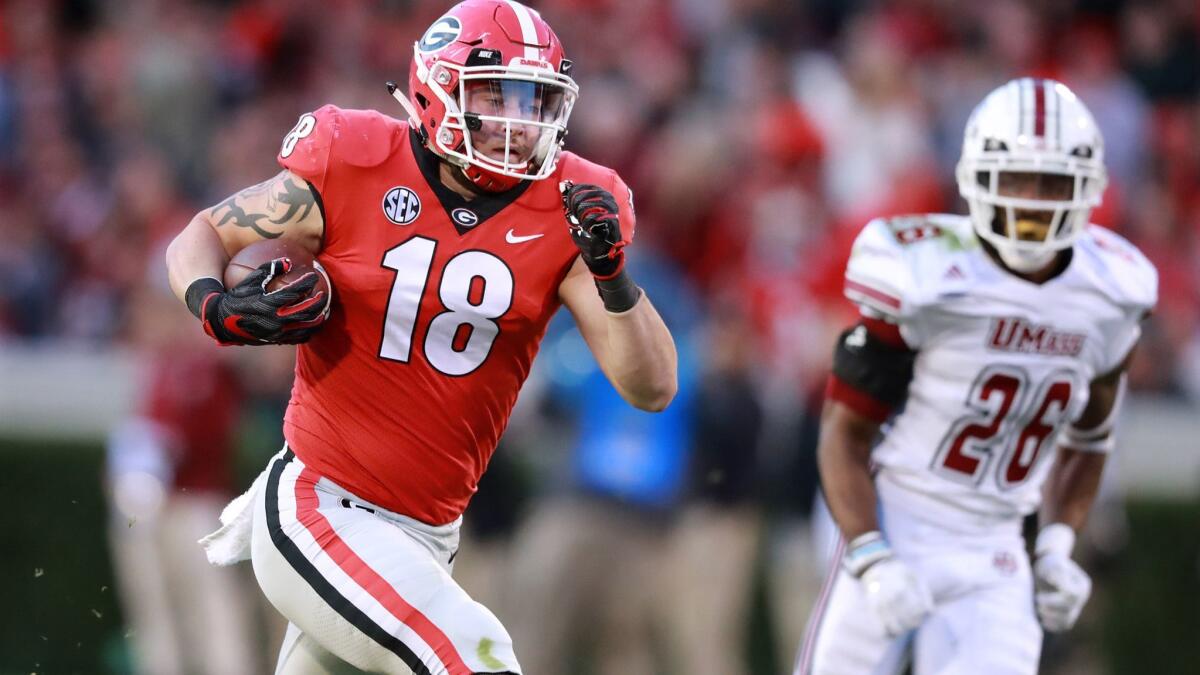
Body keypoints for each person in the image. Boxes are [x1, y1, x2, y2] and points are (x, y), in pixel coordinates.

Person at [164, 1, 678, 673]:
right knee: (475, 654)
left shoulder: (570, 203)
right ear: (438, 89)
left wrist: (613, 276)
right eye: (498, 95)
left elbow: (653, 385)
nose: (518, 121)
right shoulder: (355, 156)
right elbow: (200, 235)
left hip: (429, 534)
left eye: (535, 100)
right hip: (321, 503)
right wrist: (214, 304)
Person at [794, 77, 1157, 675]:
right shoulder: (923, 273)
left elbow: (1091, 438)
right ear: (975, 177)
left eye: (1053, 182)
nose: (1034, 203)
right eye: (1016, 177)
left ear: (1088, 187)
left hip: (996, 544)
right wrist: (870, 552)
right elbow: (843, 432)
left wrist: (1058, 544)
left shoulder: (1111, 292)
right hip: (899, 513)